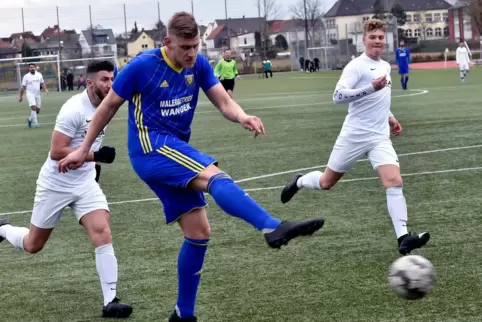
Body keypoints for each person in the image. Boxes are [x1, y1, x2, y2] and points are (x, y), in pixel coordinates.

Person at [58, 12, 325, 322]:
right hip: (151, 148)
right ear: (168, 42)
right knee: (215, 176)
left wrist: (243, 116)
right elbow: (106, 108)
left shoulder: (197, 64)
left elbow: (223, 100)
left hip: (170, 150)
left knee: (199, 232)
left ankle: (183, 314)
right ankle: (270, 226)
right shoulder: (142, 66)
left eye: (196, 46)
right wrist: (82, 149)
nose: (191, 53)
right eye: (185, 47)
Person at [280, 19, 430, 256]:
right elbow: (338, 96)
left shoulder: (385, 66)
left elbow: (379, 99)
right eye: (373, 37)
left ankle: (403, 237)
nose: (378, 41)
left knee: (394, 181)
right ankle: (298, 181)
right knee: (326, 182)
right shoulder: (356, 66)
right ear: (364, 40)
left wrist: (390, 118)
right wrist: (370, 87)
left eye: (381, 37)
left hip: (380, 137)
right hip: (354, 135)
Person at [0, 60, 133, 319]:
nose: (110, 84)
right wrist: (95, 155)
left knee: (102, 231)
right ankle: (2, 229)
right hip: (55, 183)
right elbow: (56, 151)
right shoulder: (73, 109)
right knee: (33, 245)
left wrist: (91, 166)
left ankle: (111, 301)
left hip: (84, 182)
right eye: (105, 79)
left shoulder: (110, 104)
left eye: (112, 78)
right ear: (90, 82)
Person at [19, 63, 48, 128]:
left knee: (37, 110)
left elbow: (42, 83)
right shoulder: (26, 76)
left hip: (37, 94)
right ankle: (36, 123)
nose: (32, 68)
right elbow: (23, 87)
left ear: (35, 68)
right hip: (30, 94)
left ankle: (30, 119)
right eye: (30, 67)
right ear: (29, 68)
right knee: (33, 108)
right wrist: (20, 96)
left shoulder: (39, 75)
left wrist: (45, 89)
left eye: (33, 67)